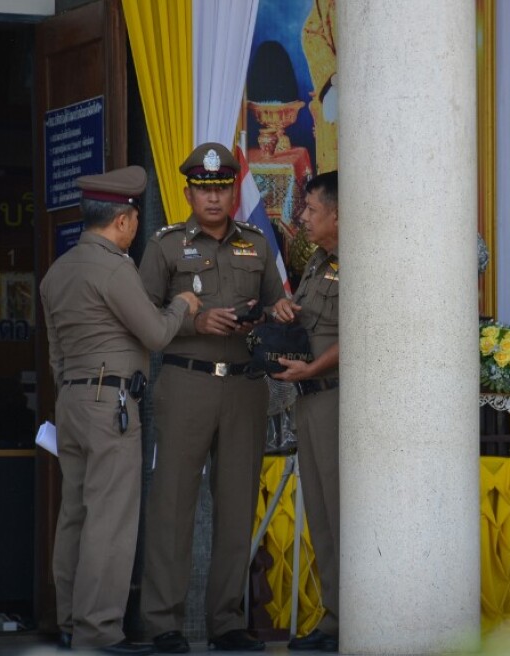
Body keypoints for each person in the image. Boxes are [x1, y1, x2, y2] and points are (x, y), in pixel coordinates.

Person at [137, 143, 297, 653]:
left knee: (236, 503)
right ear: (187, 193)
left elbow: (277, 305)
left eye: (223, 187)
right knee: (172, 504)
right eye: (204, 189)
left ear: (234, 190)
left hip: (245, 385)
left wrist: (276, 313)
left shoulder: (255, 242)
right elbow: (140, 321)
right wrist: (194, 319)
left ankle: (226, 621)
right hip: (186, 382)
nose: (214, 197)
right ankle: (163, 622)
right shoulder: (163, 246)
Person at [40, 166, 201, 654]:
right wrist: (182, 305)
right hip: (110, 403)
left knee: (76, 514)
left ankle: (70, 620)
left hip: (71, 397)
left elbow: (55, 354)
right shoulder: (114, 267)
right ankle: (98, 631)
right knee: (110, 518)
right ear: (126, 220)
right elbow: (154, 333)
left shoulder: (57, 271)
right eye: (133, 222)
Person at [272, 171, 340, 653]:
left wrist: (314, 365)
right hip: (309, 399)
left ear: (338, 213)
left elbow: (363, 332)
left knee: (342, 512)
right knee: (319, 512)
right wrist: (284, 313)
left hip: (338, 398)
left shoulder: (363, 261)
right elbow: (308, 317)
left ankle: (355, 615)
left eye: (312, 210)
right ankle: (336, 618)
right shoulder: (317, 262)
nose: (304, 218)